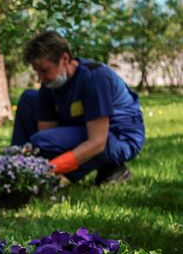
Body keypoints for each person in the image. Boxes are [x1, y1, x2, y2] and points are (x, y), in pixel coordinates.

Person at [11, 30, 145, 185]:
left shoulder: (94, 79)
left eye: (44, 70)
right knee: (29, 99)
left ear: (65, 59)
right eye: (36, 71)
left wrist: (50, 170)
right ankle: (14, 166)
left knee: (41, 142)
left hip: (118, 137)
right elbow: (48, 136)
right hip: (83, 128)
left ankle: (111, 165)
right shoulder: (49, 86)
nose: (40, 77)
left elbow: (97, 142)